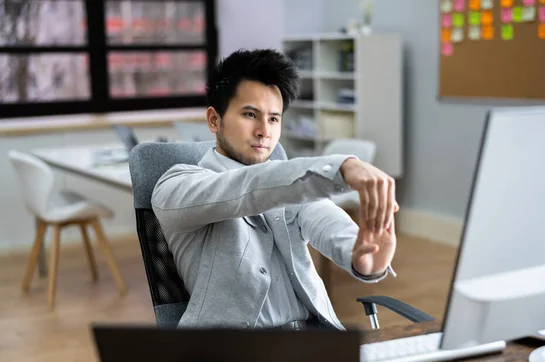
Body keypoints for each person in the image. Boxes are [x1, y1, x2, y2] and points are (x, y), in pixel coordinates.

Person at [151, 49, 399, 330]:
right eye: (250, 114)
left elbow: (323, 216)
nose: (264, 131)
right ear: (214, 120)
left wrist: (365, 258)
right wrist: (342, 167)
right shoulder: (178, 186)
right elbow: (247, 187)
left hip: (317, 342)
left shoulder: (291, 186)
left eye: (273, 119)